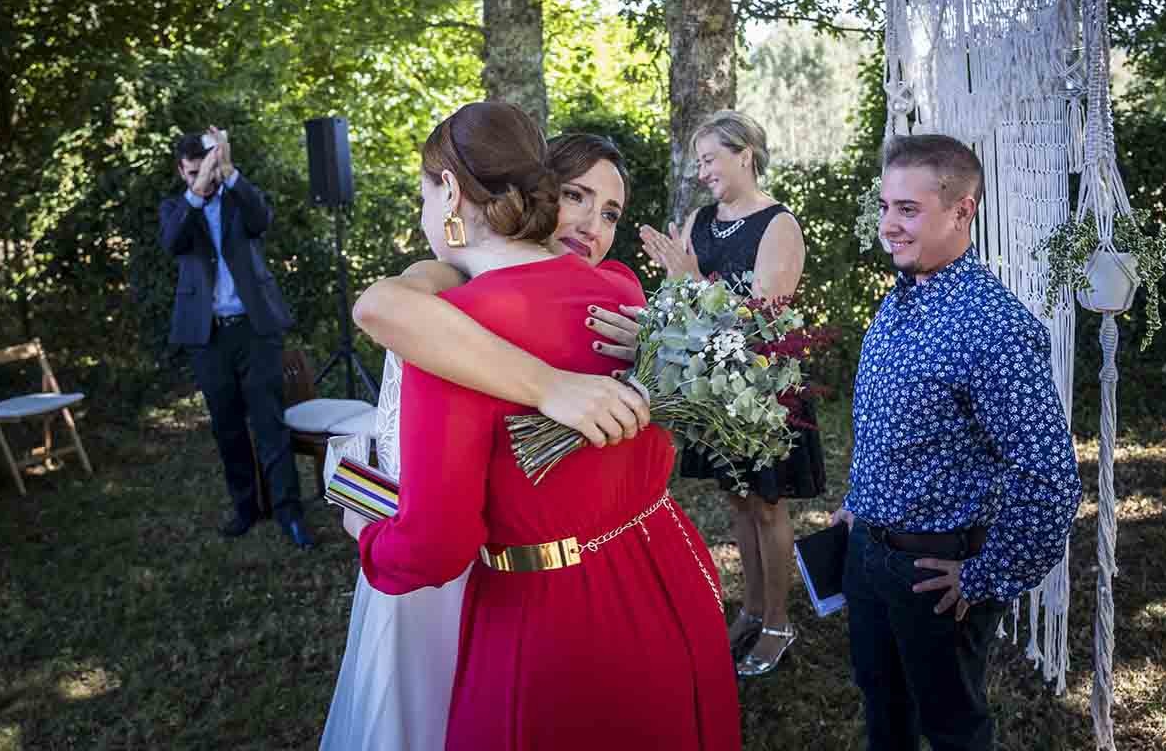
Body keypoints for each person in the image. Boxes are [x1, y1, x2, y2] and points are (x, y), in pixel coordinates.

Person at [345, 102, 740, 750]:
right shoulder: (621, 293)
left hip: (551, 618)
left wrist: (366, 532)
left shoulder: (449, 336)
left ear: (447, 191)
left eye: (425, 193)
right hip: (668, 571)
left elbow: (436, 545)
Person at [319, 133, 650, 750]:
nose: (590, 224)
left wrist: (361, 526)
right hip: (469, 552)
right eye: (575, 196)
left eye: (610, 213)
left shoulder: (619, 300)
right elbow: (387, 302)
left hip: (485, 568)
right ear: (533, 192)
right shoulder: (440, 287)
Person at [832, 134, 1082, 751]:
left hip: (935, 573)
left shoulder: (993, 327)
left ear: (962, 210)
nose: (889, 225)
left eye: (908, 210)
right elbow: (892, 430)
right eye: (887, 206)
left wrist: (986, 575)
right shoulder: (903, 297)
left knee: (952, 732)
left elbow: (1049, 479)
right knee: (882, 711)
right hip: (869, 555)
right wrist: (859, 504)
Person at [638, 112, 823, 677]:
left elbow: (765, 319)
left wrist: (694, 279)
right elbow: (682, 304)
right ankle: (750, 608)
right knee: (736, 501)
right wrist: (673, 290)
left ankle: (778, 623)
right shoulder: (698, 219)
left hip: (763, 386)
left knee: (767, 504)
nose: (702, 171)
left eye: (710, 158)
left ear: (745, 154)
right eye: (699, 161)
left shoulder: (779, 224)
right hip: (713, 385)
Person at [158, 127, 312, 549]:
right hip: (208, 337)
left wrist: (227, 172)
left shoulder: (237, 201)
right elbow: (172, 243)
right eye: (191, 173)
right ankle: (246, 508)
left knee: (270, 422)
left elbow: (263, 219)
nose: (198, 180)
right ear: (181, 171)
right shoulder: (176, 207)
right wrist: (198, 190)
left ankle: (289, 512)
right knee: (227, 427)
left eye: (202, 171)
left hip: (254, 329)